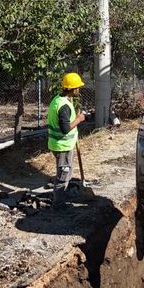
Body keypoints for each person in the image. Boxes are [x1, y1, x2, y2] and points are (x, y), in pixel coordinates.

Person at [47, 72, 87, 209]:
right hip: (62, 146)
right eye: (78, 87)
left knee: (66, 172)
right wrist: (79, 119)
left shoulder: (57, 99)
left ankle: (61, 196)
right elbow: (65, 129)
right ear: (74, 89)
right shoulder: (64, 106)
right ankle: (58, 205)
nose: (79, 89)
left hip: (58, 144)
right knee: (63, 175)